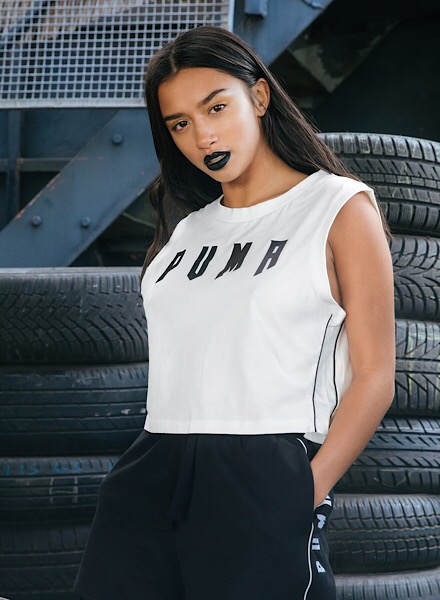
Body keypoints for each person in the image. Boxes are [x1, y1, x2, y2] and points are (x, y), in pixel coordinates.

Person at [74, 25, 395, 600]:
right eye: (179, 124)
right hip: (152, 465)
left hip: (267, 468)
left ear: (260, 96)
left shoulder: (337, 206)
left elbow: (375, 376)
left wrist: (305, 491)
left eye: (216, 107)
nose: (203, 135)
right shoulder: (186, 231)